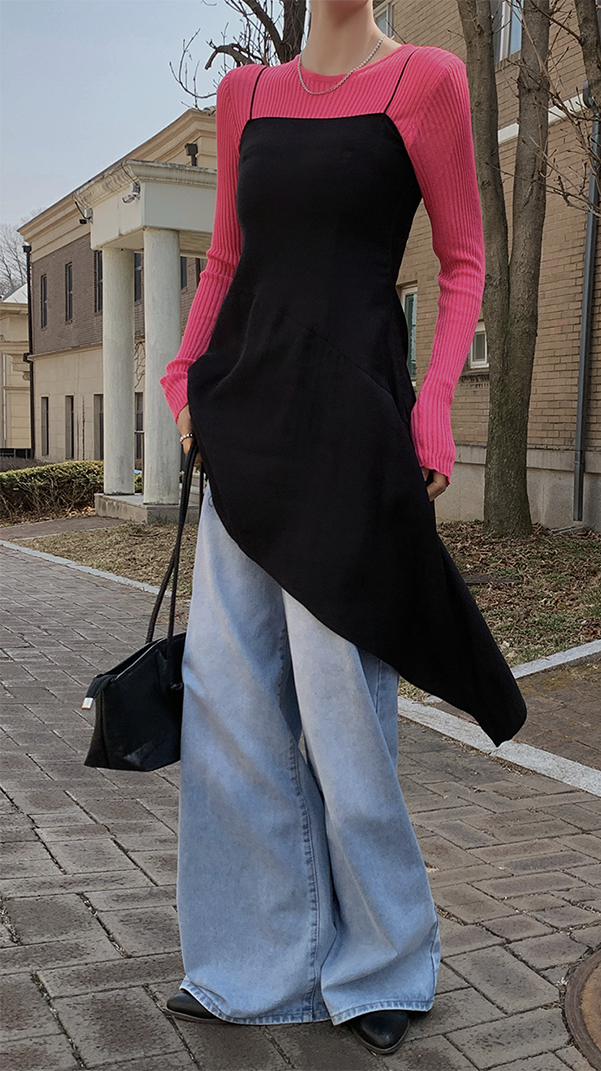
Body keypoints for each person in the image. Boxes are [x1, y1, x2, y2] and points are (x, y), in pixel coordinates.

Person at [158, 0, 526, 1055]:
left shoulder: (427, 81)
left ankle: (383, 965)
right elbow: (224, 260)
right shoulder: (245, 94)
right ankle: (253, 965)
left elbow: (463, 260)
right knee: (228, 711)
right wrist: (182, 376)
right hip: (244, 426)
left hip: (350, 438)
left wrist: (436, 399)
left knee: (342, 714)